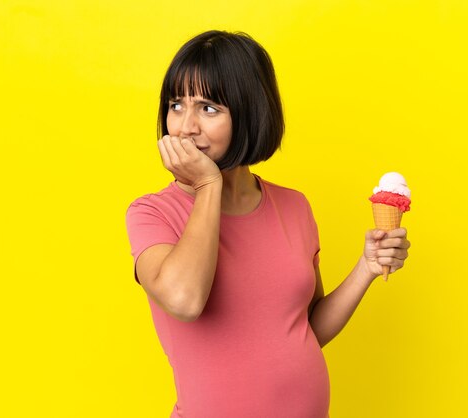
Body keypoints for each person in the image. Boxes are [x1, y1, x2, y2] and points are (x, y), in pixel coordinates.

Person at [125, 30, 410, 418]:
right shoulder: (152, 213)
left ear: (249, 112)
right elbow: (185, 301)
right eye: (176, 105)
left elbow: (305, 328)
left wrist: (367, 267)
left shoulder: (293, 206)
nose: (186, 126)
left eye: (208, 108)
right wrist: (209, 185)